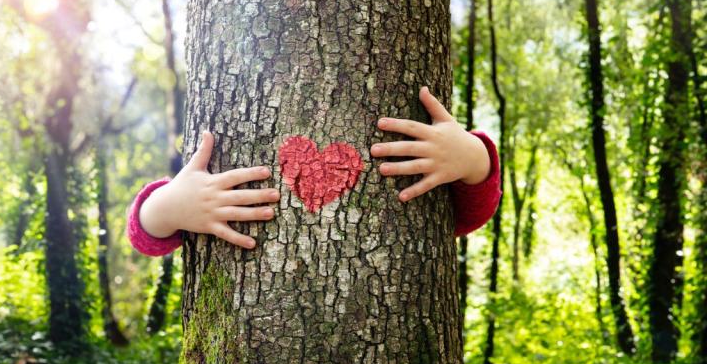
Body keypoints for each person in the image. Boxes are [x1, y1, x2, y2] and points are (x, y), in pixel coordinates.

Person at [127, 87, 501, 256]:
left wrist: (472, 156)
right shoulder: (200, 200)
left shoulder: (434, 168)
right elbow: (144, 233)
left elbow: (468, 214)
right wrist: (168, 206)